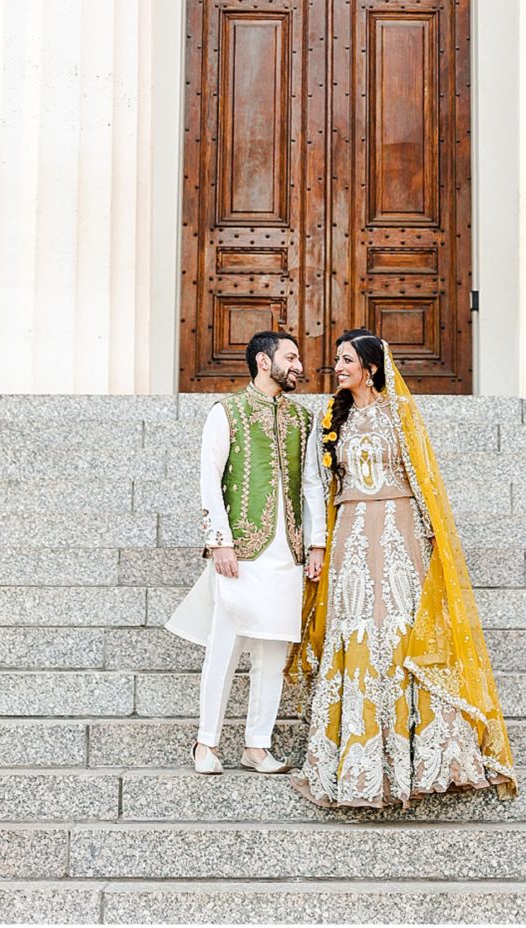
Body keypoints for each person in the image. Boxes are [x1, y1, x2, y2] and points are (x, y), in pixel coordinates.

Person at [288, 329, 517, 810]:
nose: (338, 366)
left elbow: (424, 479)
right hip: (350, 532)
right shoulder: (330, 417)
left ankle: (426, 758)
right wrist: (318, 544)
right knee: (357, 630)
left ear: (370, 367)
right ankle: (360, 762)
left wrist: (433, 543)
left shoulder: (401, 413)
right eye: (336, 359)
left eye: (346, 359)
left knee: (400, 629)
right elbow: (323, 483)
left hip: (399, 533)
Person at [166, 329, 326, 774]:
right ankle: (206, 744)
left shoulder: (301, 419)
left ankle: (257, 746)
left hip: (288, 554)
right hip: (241, 551)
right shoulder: (227, 412)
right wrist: (220, 542)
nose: (299, 366)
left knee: (273, 654)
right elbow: (209, 479)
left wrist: (316, 542)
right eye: (290, 357)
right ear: (263, 360)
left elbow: (312, 484)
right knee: (225, 649)